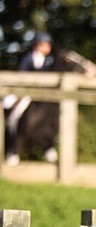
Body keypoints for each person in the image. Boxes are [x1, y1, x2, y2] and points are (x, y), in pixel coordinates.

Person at [3, 33, 54, 164]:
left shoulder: (47, 61)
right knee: (13, 112)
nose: (48, 48)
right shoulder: (29, 58)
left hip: (39, 93)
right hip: (24, 91)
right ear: (37, 45)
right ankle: (10, 147)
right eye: (45, 45)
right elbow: (22, 75)